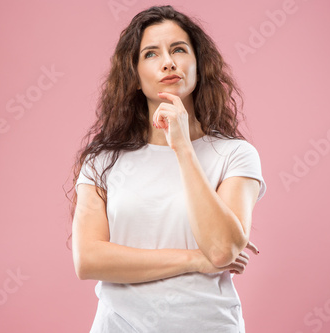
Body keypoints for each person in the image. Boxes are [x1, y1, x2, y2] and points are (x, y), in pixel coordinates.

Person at [67, 5, 267, 332]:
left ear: (199, 66)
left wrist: (184, 148)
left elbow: (221, 248)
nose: (168, 61)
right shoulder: (102, 160)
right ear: (133, 76)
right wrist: (195, 260)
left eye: (179, 49)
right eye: (150, 54)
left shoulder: (235, 154)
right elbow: (88, 259)